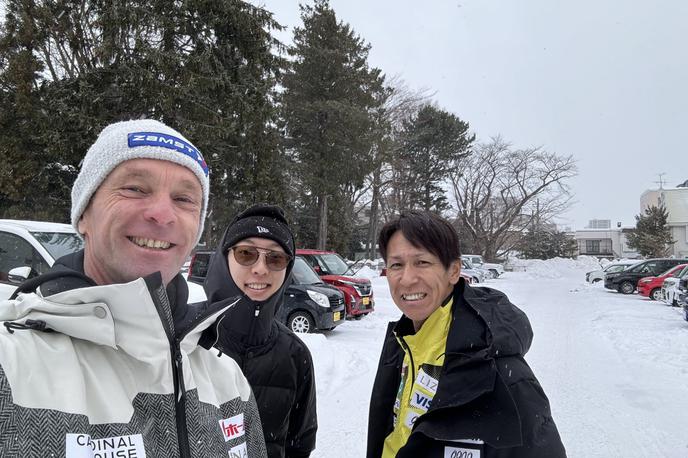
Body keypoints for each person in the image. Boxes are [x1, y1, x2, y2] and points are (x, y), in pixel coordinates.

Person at [0, 119, 267, 457]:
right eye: (135, 188)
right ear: (84, 214)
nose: (161, 214)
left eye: (184, 198)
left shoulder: (227, 380)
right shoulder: (12, 365)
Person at [366, 210, 566, 458]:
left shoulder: (498, 372)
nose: (406, 279)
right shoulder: (401, 344)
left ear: (453, 271)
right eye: (396, 265)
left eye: (422, 262)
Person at [199, 204, 317, 458]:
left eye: (275, 258)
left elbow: (299, 445)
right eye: (246, 253)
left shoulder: (296, 355)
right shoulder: (185, 339)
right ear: (224, 257)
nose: (261, 268)